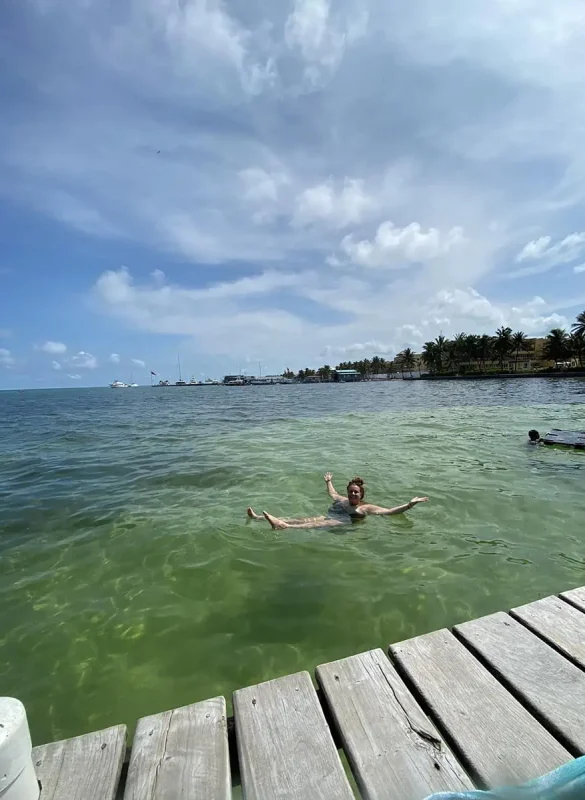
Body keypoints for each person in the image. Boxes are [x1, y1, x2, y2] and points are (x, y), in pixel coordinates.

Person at [247, 473, 428, 530]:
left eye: (356, 493)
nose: (353, 495)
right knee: (305, 519)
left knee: (320, 524)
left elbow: (390, 512)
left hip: (345, 524)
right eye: (350, 492)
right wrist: (328, 482)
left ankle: (284, 527)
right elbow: (333, 494)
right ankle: (258, 518)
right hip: (331, 517)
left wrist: (410, 504)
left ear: (361, 495)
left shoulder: (367, 508)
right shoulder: (343, 500)